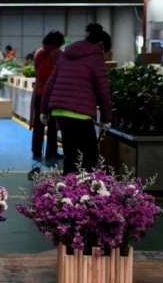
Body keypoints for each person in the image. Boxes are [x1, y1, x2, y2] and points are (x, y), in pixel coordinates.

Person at [40, 24, 112, 174]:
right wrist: (106, 118)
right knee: (91, 156)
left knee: (71, 156)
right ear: (101, 45)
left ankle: (67, 192)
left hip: (60, 111)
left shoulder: (66, 53)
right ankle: (82, 191)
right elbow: (103, 89)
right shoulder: (96, 57)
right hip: (80, 112)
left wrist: (44, 110)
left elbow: (50, 82)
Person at [31, 31, 64, 162]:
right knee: (52, 125)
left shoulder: (39, 52)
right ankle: (51, 151)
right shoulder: (58, 54)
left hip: (39, 92)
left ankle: (36, 151)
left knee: (38, 124)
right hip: (52, 93)